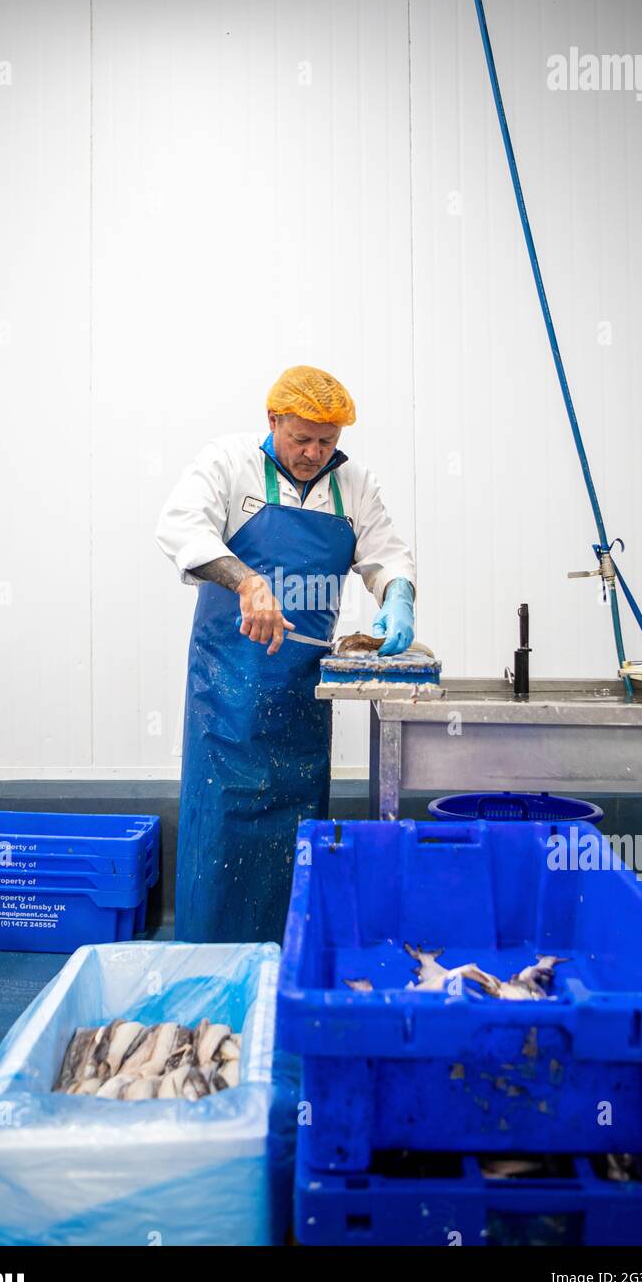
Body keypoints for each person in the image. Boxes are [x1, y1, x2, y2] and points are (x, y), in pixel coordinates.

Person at [155, 365, 416, 943]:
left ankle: (288, 966)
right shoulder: (227, 462)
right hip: (227, 693)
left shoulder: (354, 486)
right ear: (272, 421)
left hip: (302, 695)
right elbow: (179, 529)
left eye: (327, 443)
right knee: (222, 835)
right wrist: (247, 582)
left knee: (298, 836)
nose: (313, 453)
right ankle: (212, 966)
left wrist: (397, 598)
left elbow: (387, 555)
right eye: (301, 439)